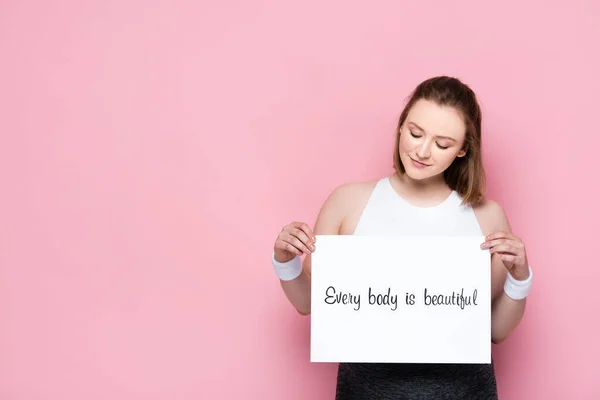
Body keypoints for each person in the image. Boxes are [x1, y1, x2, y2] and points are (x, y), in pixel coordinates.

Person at [270, 76, 533, 400]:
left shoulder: (487, 216)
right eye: (415, 132)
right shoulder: (347, 202)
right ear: (401, 125)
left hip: (463, 391)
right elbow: (309, 304)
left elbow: (495, 331)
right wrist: (285, 261)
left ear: (464, 148)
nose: (421, 151)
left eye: (442, 143)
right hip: (366, 391)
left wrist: (520, 277)